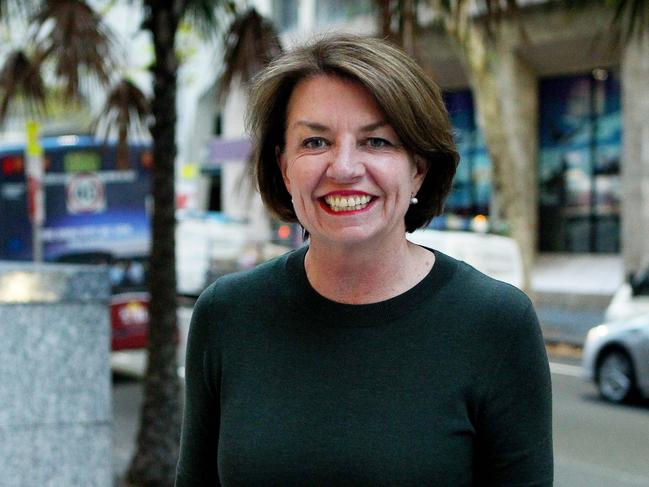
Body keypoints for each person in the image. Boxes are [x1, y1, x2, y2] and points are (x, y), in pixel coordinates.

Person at [175, 34, 553, 486]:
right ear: (283, 167)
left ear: (419, 167)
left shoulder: (496, 324)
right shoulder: (226, 315)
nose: (344, 168)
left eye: (376, 142)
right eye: (315, 142)